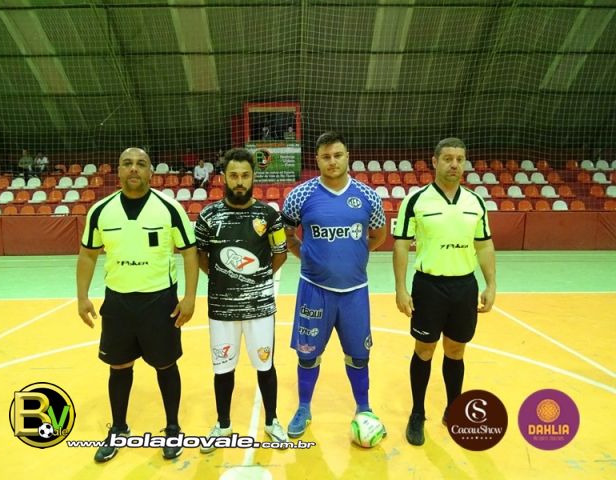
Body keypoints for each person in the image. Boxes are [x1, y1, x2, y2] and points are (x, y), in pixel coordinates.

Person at [76, 147, 199, 462]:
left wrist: (189, 297)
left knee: (165, 365)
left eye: (141, 164)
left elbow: (189, 252)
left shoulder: (169, 208)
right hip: (118, 302)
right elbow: (88, 254)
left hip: (160, 301)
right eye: (128, 163)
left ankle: (173, 429)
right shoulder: (101, 211)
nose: (134, 169)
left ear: (151, 172)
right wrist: (82, 296)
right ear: (118, 170)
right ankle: (119, 428)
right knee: (118, 367)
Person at [281, 131, 387, 438]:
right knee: (307, 354)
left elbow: (378, 235)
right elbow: (287, 235)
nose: (332, 161)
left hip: (354, 291)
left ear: (347, 156)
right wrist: (306, 254)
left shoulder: (368, 196)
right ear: (317, 160)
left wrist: (354, 255)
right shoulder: (300, 195)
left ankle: (364, 407)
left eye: (337, 155)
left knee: (359, 355)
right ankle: (303, 408)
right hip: (313, 290)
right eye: (326, 156)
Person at [392, 137, 496, 446]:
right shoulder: (416, 200)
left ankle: (454, 409)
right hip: (429, 287)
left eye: (460, 159)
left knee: (456, 351)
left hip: (464, 286)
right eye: (448, 158)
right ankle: (417, 413)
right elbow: (401, 245)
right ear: (435, 162)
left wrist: (491, 284)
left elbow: (484, 245)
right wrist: (400, 288)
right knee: (424, 350)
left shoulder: (475, 202)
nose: (454, 164)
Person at [194, 148, 289, 453]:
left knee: (265, 365)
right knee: (223, 369)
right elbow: (200, 256)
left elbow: (280, 254)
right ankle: (223, 425)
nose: (239, 181)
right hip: (221, 308)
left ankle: (272, 422)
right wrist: (224, 279)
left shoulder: (269, 216)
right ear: (224, 177)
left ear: (253, 177)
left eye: (245, 175)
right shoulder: (208, 216)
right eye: (233, 175)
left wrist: (256, 280)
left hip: (259, 307)